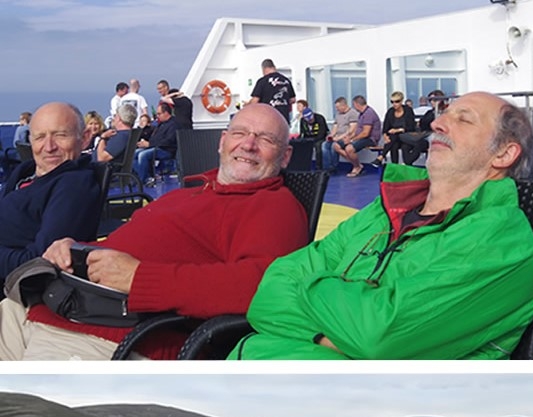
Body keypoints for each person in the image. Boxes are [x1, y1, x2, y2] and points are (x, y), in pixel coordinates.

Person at [229, 91, 533, 360]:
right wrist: (336, 334)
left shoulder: (501, 243)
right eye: (443, 114)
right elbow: (269, 293)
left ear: (503, 153)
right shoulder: (385, 210)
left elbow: (378, 337)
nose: (436, 123)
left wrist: (310, 288)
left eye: (464, 119)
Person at [0, 103, 308, 360]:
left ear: (285, 156)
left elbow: (261, 286)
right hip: (43, 306)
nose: (248, 144)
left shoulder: (273, 205)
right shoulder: (188, 193)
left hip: (109, 335)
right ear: (222, 141)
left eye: (265, 139)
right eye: (239, 133)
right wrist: (73, 245)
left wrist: (140, 279)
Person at [0, 102, 103, 282]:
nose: (49, 147)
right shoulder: (25, 172)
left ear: (85, 138)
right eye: (40, 137)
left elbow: (39, 263)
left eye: (60, 135)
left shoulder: (73, 185)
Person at [398, 89, 448, 165]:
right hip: (424, 134)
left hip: (435, 137)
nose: (432, 102)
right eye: (430, 100)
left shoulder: (445, 112)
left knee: (419, 144)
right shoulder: (429, 112)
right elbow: (422, 123)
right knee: (405, 145)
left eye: (434, 100)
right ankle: (407, 164)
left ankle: (407, 163)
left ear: (440, 100)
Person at [132, 102, 178, 184]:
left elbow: (169, 141)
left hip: (166, 150)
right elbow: (154, 138)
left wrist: (150, 144)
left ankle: (143, 180)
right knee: (134, 153)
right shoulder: (161, 124)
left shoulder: (173, 124)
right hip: (156, 147)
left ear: (166, 113)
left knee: (143, 155)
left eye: (159, 114)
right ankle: (142, 176)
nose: (157, 116)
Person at [334, 95, 380, 177]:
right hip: (360, 137)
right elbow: (357, 130)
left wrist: (352, 140)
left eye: (354, 104)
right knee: (336, 145)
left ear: (357, 104)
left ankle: (356, 167)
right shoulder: (361, 114)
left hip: (370, 139)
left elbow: (366, 133)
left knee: (349, 148)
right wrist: (350, 137)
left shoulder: (369, 113)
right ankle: (358, 164)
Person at [377, 91, 416, 165]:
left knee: (395, 136)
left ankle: (381, 156)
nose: (394, 104)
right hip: (394, 139)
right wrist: (385, 137)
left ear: (401, 101)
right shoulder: (390, 111)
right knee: (393, 144)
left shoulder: (408, 110)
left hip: (406, 137)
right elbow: (386, 127)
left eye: (397, 101)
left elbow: (411, 127)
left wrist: (398, 130)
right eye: (392, 102)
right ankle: (395, 166)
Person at [321, 96, 358, 172]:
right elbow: (335, 126)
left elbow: (351, 130)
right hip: (337, 136)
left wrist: (339, 138)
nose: (337, 109)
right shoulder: (338, 115)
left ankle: (334, 167)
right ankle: (327, 167)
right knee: (324, 145)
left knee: (333, 146)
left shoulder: (352, 114)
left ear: (344, 105)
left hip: (346, 137)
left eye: (338, 107)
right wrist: (331, 135)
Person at [295, 102, 329, 168]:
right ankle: (302, 166)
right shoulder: (302, 121)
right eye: (308, 120)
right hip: (308, 137)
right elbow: (302, 133)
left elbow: (322, 132)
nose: (310, 121)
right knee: (300, 146)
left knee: (318, 146)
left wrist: (313, 140)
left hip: (319, 138)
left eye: (311, 119)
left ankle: (319, 166)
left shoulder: (320, 118)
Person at [1, 111, 32, 178]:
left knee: (4, 159)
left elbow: (16, 143)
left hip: (20, 154)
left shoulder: (20, 129)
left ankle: (7, 177)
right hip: (30, 154)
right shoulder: (33, 129)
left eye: (20, 119)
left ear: (24, 120)